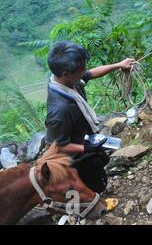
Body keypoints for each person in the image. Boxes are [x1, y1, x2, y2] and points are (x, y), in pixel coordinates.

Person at [45, 41, 135, 193]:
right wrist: (87, 148)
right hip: (76, 159)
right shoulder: (59, 111)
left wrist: (119, 65)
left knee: (98, 167)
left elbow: (90, 74)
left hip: (84, 140)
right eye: (81, 69)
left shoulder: (65, 80)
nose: (85, 70)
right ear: (66, 74)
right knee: (92, 184)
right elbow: (59, 145)